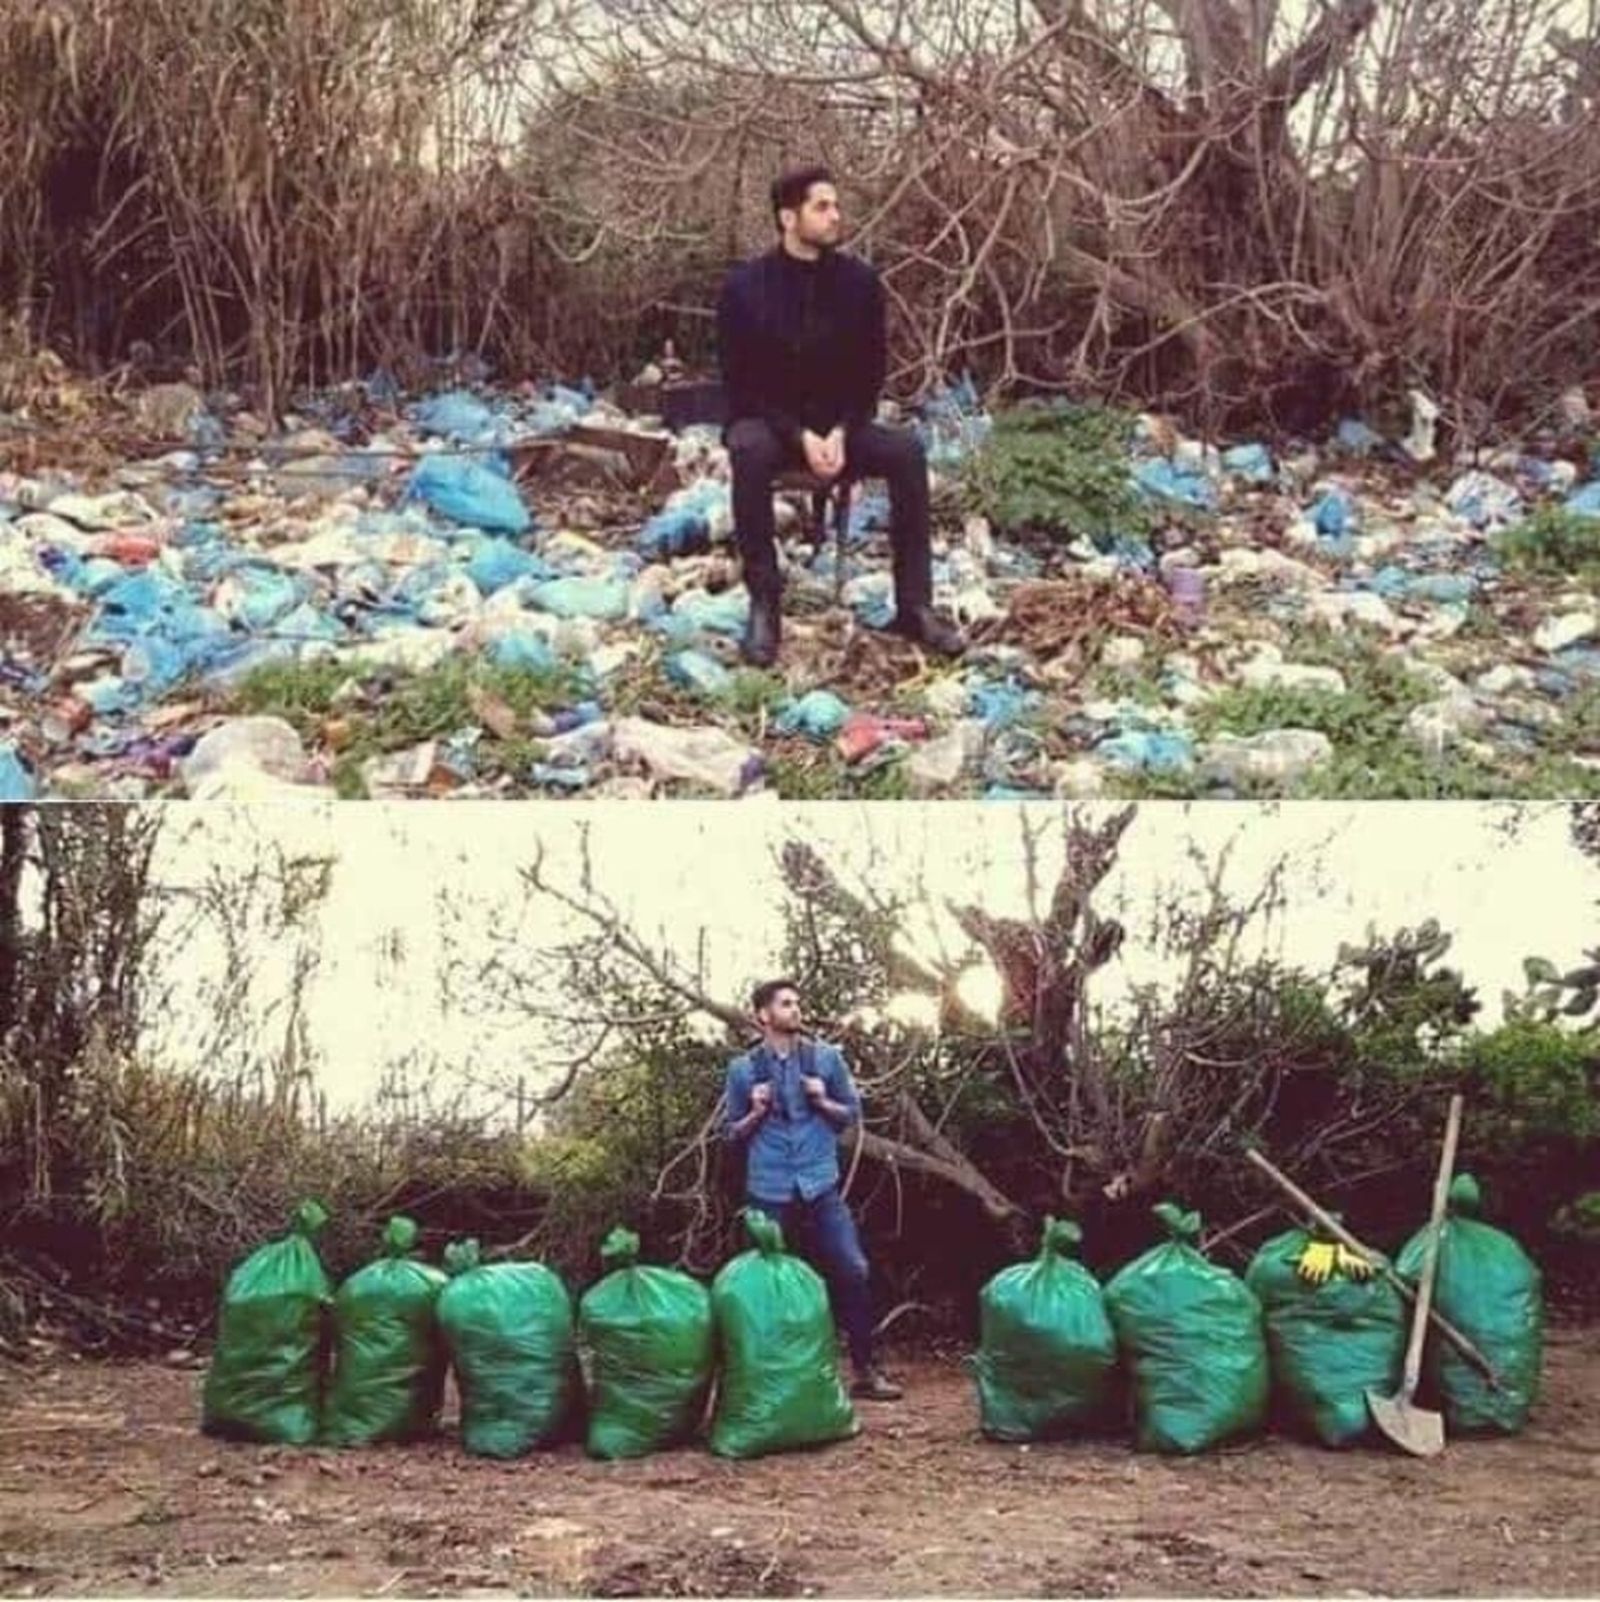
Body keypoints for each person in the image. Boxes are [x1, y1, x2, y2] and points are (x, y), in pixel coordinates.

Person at [716, 165, 967, 668]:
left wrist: (842, 431)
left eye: (836, 205)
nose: (835, 216)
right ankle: (765, 605)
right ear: (788, 217)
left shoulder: (859, 284)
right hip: (772, 425)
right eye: (821, 207)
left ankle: (914, 606)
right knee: (746, 449)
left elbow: (870, 374)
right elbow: (741, 385)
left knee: (907, 450)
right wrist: (799, 434)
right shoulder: (745, 288)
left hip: (840, 426)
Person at [722, 978, 903, 1400]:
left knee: (853, 1269)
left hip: (819, 1184)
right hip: (768, 1187)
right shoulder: (743, 1070)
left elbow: (850, 1117)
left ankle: (864, 1371)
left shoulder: (826, 1059)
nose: (796, 1010)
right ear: (763, 1015)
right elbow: (730, 1135)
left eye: (797, 1003)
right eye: (786, 1004)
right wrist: (756, 1111)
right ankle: (772, 1380)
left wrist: (822, 1101)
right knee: (767, 1288)